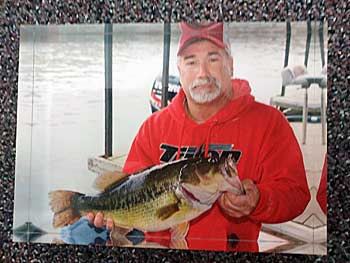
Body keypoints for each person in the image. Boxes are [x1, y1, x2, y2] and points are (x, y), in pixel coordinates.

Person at [88, 22, 311, 252]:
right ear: (180, 70)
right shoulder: (153, 127)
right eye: (191, 62)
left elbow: (296, 195)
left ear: (231, 65)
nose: (203, 73)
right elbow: (129, 190)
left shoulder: (269, 123)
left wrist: (259, 199)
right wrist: (109, 219)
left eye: (213, 59)